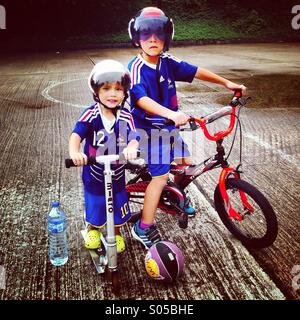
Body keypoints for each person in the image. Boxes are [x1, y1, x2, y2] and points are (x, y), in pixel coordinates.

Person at [127, 7, 246, 248]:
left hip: (170, 128)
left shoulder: (167, 62)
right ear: (136, 37)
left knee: (186, 164)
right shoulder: (136, 68)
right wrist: (171, 114)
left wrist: (227, 83)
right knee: (160, 178)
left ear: (167, 37)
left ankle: (175, 197)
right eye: (146, 34)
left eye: (159, 34)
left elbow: (195, 71)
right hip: (149, 131)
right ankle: (143, 227)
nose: (152, 40)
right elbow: (141, 100)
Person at [69, 59, 139, 253]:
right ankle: (92, 228)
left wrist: (132, 147)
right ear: (96, 93)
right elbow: (77, 134)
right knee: (97, 203)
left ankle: (116, 233)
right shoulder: (91, 115)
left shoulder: (125, 116)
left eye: (118, 89)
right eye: (106, 89)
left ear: (124, 93)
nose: (112, 94)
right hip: (94, 173)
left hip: (116, 174)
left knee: (117, 204)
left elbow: (134, 136)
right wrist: (75, 152)